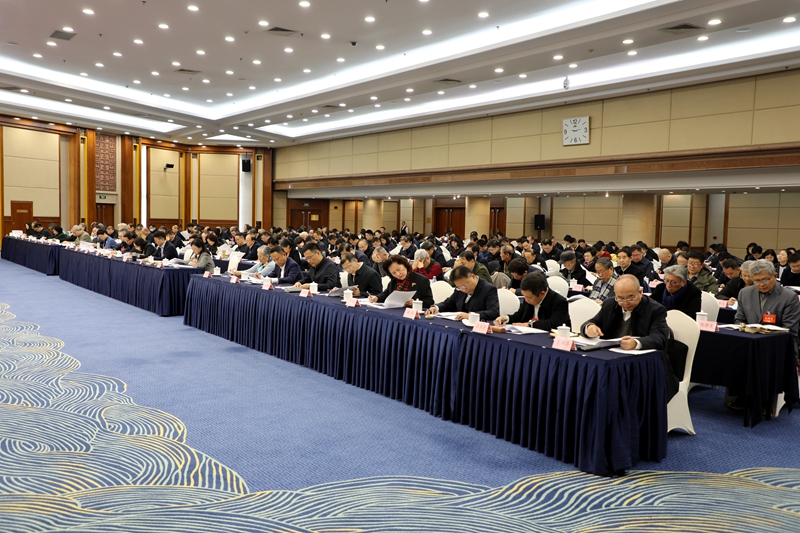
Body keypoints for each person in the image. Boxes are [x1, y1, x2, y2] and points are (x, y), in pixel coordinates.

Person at [581, 274, 679, 400]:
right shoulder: (610, 304)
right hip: (612, 360)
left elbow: (660, 338)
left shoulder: (655, 309)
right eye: (620, 298)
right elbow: (590, 323)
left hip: (643, 365)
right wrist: (589, 327)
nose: (626, 303)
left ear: (640, 292)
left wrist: (636, 343)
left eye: (631, 297)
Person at [734, 260, 800, 339]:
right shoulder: (745, 293)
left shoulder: (789, 297)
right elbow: (739, 321)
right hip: (749, 340)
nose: (761, 284)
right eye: (757, 281)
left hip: (776, 342)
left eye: (765, 280)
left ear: (775, 276)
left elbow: (790, 330)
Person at [494, 271, 570, 331]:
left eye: (529, 297)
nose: (526, 300)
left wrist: (530, 324)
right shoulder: (528, 298)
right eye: (524, 296)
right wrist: (506, 318)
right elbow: (520, 315)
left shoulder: (559, 302)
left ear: (542, 293)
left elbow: (554, 324)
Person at [426, 265, 500, 322]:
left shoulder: (488, 289)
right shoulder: (459, 288)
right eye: (459, 287)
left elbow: (493, 312)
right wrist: (436, 308)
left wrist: (470, 315)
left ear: (473, 277)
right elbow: (449, 303)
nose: (464, 289)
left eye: (465, 285)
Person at [368, 255, 434, 308]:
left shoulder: (421, 280)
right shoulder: (394, 281)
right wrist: (376, 298)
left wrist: (415, 303)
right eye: (393, 273)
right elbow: (386, 294)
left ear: (404, 264)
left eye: (398, 269)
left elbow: (429, 301)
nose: (398, 274)